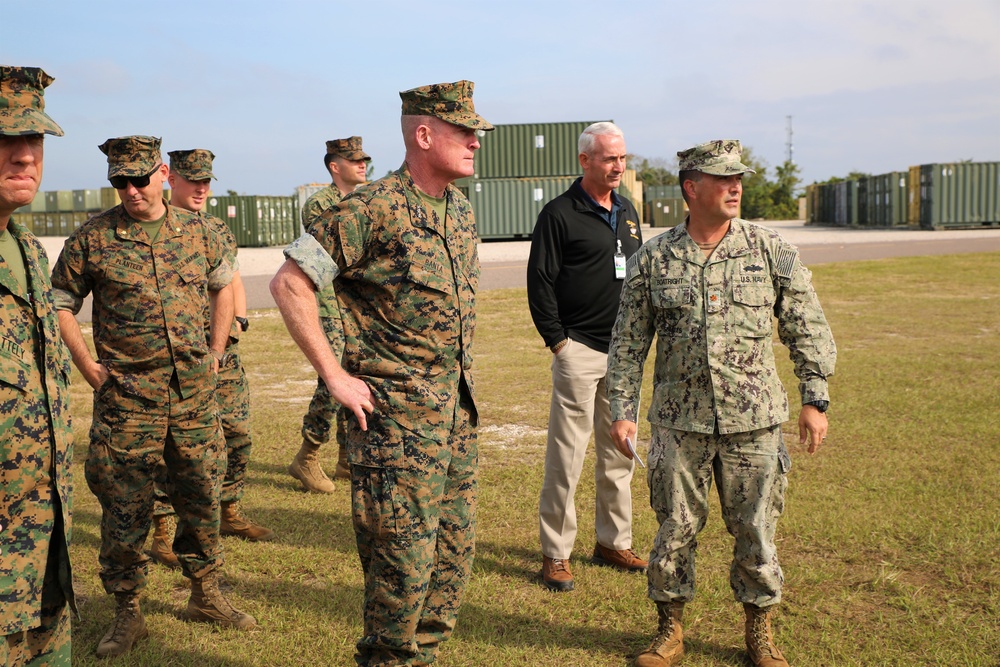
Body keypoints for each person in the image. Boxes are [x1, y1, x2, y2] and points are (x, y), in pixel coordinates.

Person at [270, 80, 491, 666]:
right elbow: (290, 283)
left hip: (454, 419)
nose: (475, 141)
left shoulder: (460, 210)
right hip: (395, 428)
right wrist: (336, 376)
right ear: (424, 134)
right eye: (463, 131)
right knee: (400, 572)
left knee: (450, 563)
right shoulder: (370, 208)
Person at [606, 139, 837, 667]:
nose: (735, 187)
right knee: (674, 529)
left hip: (754, 422)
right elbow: (627, 343)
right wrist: (622, 412)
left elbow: (806, 324)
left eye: (739, 179)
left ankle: (760, 633)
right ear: (692, 188)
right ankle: (669, 631)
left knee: (756, 529)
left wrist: (815, 397)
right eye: (722, 178)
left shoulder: (768, 248)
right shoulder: (654, 258)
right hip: (678, 423)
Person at [51, 135, 256, 659]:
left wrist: (215, 350)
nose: (131, 190)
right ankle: (128, 612)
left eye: (139, 178)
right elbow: (61, 304)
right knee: (125, 509)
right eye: (119, 181)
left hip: (192, 397)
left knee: (202, 497)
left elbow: (222, 288)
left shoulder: (202, 231)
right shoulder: (94, 238)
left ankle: (205, 595)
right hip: (127, 401)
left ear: (163, 173)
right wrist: (88, 367)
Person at [526, 121, 646, 592]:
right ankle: (556, 553)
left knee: (620, 451)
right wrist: (560, 342)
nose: (618, 166)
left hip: (623, 357)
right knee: (567, 456)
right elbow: (540, 283)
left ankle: (613, 541)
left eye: (622, 158)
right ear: (585, 161)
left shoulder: (629, 211)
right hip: (579, 350)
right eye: (609, 158)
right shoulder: (559, 214)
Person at [144, 148, 274, 570]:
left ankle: (228, 511)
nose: (201, 188)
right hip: (178, 357)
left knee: (237, 433)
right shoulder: (154, 228)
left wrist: (239, 320)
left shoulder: (216, 229)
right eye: (192, 180)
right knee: (172, 445)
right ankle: (162, 530)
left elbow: (230, 277)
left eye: (207, 181)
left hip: (222, 352)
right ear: (170, 178)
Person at [0, 65, 75, 667]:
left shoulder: (25, 247)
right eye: (4, 139)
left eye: (35, 140)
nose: (25, 156)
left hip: (44, 549)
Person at [288, 136, 370, 493]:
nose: (363, 165)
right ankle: (307, 455)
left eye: (365, 159)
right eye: (355, 161)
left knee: (356, 374)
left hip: (355, 305)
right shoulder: (319, 204)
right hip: (328, 304)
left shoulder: (365, 199)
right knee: (331, 379)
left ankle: (346, 459)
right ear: (335, 166)